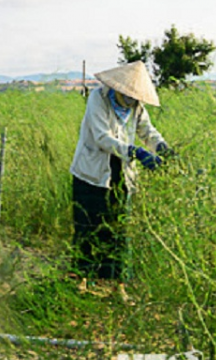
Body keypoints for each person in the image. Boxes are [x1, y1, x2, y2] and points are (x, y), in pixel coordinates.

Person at [70, 60, 174, 284]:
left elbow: (148, 131)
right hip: (92, 173)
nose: (130, 102)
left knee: (119, 231)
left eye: (134, 98)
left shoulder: (136, 107)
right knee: (88, 227)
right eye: (127, 96)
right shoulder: (98, 99)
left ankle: (116, 284)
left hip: (121, 175)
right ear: (118, 89)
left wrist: (162, 148)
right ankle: (82, 280)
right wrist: (136, 152)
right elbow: (102, 138)